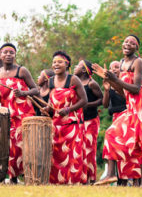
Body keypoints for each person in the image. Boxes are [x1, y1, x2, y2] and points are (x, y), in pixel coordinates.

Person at [93, 35, 142, 187]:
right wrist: (109, 81)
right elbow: (123, 93)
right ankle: (110, 174)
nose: (128, 44)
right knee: (111, 132)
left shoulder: (138, 62)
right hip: (132, 106)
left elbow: (136, 88)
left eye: (132, 43)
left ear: (137, 48)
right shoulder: (121, 63)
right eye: (126, 41)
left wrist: (115, 80)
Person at [0, 43, 38, 184]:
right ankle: (13, 178)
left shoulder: (22, 71)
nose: (8, 55)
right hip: (8, 116)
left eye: (11, 52)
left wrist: (23, 93)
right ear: (0, 55)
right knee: (12, 148)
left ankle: (30, 177)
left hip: (24, 114)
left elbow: (36, 90)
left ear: (15, 55)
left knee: (26, 146)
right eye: (5, 52)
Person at [43, 51, 87, 184]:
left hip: (71, 123)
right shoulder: (50, 81)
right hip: (55, 124)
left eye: (60, 62)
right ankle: (56, 182)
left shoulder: (73, 79)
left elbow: (84, 100)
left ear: (67, 64)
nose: (56, 64)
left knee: (72, 154)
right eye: (54, 62)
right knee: (56, 155)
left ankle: (74, 182)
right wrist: (48, 109)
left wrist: (69, 109)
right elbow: (52, 102)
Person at [102, 61, 140, 186]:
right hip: (115, 118)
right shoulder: (109, 84)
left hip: (127, 116)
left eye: (117, 67)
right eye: (112, 68)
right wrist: (107, 90)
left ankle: (134, 179)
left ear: (122, 69)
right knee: (118, 149)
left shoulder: (125, 82)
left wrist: (117, 84)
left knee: (129, 148)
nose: (114, 70)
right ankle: (121, 181)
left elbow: (130, 98)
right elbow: (105, 105)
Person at [74, 59, 102, 184]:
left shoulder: (91, 84)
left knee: (89, 150)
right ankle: (81, 177)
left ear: (84, 69)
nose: (75, 67)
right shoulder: (75, 83)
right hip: (79, 120)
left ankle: (91, 178)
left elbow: (101, 99)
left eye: (78, 66)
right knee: (80, 149)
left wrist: (88, 104)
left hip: (91, 120)